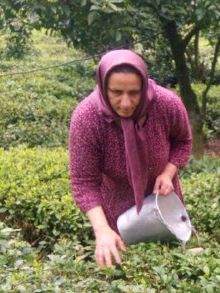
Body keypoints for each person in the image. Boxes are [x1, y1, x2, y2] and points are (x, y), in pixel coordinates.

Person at [69, 49, 193, 268]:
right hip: (116, 212)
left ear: (144, 86)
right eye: (116, 92)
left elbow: (183, 141)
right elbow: (84, 182)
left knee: (170, 266)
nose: (126, 103)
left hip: (165, 204)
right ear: (102, 86)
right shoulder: (87, 118)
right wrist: (102, 230)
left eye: (134, 93)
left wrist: (167, 173)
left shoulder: (166, 104)